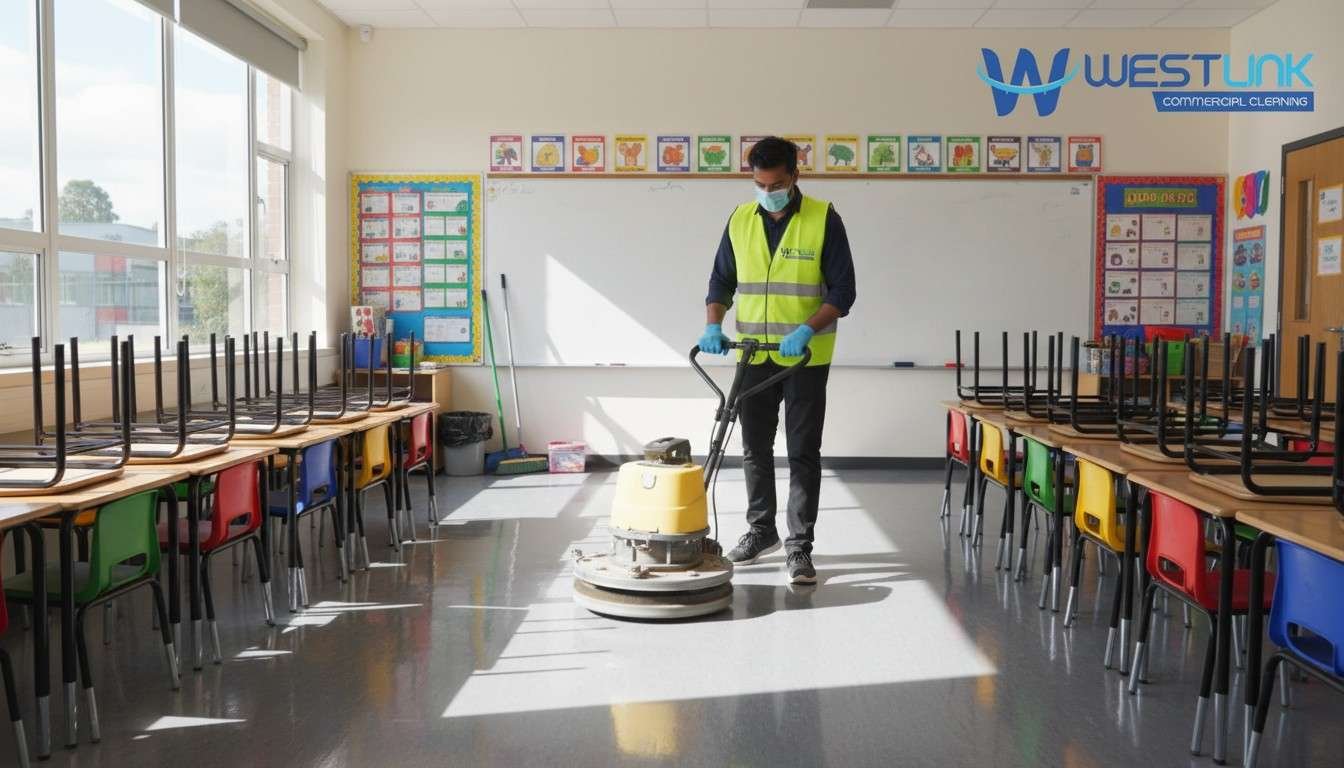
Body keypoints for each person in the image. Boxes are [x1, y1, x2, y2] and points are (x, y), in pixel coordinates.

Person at [698, 135, 857, 585]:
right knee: (754, 448)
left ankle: (799, 547)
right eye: (760, 184)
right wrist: (713, 325)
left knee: (802, 451)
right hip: (753, 354)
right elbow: (721, 281)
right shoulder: (740, 219)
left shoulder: (824, 218)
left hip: (805, 356)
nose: (767, 193)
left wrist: (806, 328)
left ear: (794, 176)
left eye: (776, 185)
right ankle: (760, 530)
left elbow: (844, 290)